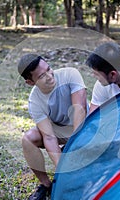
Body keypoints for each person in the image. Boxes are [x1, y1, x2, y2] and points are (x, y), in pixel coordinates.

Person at [17, 53, 88, 200]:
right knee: (28, 139)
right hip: (60, 132)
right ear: (30, 82)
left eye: (49, 69)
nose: (49, 76)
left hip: (85, 128)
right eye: (42, 76)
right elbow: (48, 136)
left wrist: (73, 149)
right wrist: (63, 169)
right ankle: (46, 185)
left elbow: (79, 111)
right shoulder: (35, 101)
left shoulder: (70, 74)